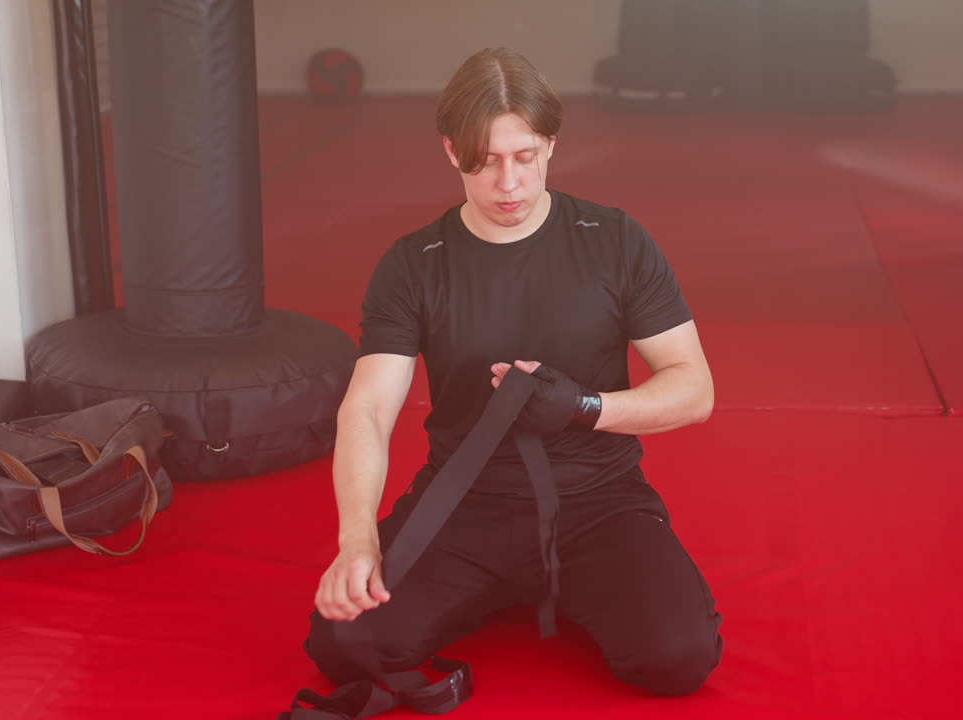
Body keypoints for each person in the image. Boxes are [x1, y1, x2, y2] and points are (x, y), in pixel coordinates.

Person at [306, 47, 722, 698]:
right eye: (485, 160)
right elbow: (368, 409)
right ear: (451, 151)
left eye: (524, 157)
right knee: (344, 643)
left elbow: (694, 388)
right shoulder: (415, 263)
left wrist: (586, 406)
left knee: (679, 656)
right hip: (467, 506)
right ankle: (489, 588)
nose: (508, 184)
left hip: (599, 503)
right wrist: (356, 541)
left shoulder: (613, 241)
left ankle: (554, 589)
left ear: (550, 145)